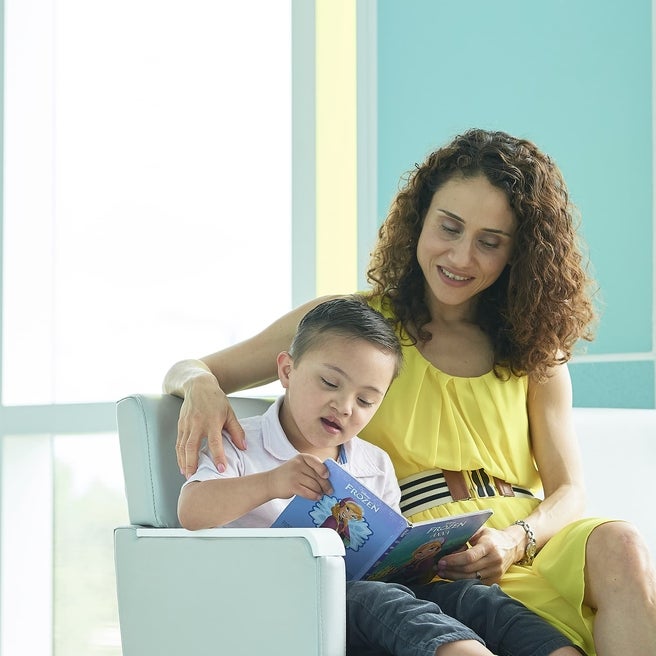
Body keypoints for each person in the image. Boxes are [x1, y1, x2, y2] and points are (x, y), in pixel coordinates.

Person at [165, 129, 656, 655]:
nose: (462, 257)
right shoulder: (351, 328)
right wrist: (198, 385)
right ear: (420, 218)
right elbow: (193, 367)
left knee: (621, 543)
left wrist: (518, 540)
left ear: (519, 253)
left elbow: (569, 491)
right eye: (449, 227)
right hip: (427, 555)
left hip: (526, 540)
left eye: (489, 242)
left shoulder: (535, 350)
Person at [177, 296, 581, 656]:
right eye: (330, 383)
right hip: (292, 601)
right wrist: (271, 484)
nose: (344, 405)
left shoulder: (374, 463)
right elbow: (191, 510)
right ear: (287, 369)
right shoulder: (240, 440)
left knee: (474, 598)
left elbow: (390, 554)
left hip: (370, 600)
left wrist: (435, 553)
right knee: (381, 600)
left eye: (366, 400)